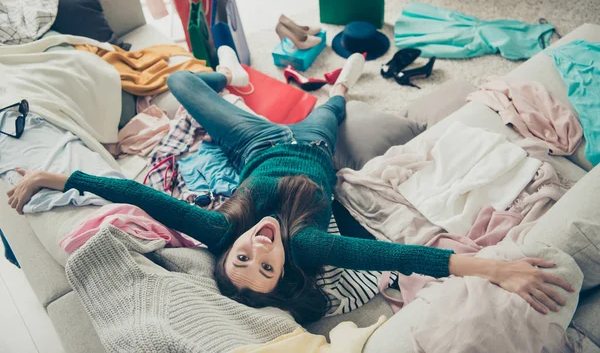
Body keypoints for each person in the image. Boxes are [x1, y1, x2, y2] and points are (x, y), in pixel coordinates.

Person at [7, 48, 574, 324]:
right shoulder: (306, 243)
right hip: (316, 146)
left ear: (227, 249)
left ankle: (229, 76)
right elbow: (405, 255)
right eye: (268, 266)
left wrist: (56, 176)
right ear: (286, 268)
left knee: (179, 80)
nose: (260, 245)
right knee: (335, 106)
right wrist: (500, 268)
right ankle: (344, 79)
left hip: (252, 143)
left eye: (244, 258)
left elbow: (142, 195)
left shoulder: (220, 227)